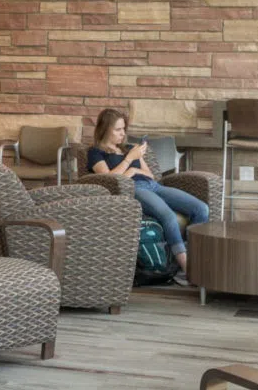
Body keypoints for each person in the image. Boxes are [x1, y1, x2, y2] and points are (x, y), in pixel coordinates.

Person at [84, 107, 207, 283]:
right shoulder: (96, 152)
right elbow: (110, 180)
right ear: (105, 129)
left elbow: (150, 174)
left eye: (123, 129)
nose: (122, 133)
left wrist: (133, 166)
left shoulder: (129, 148)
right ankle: (187, 269)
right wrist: (130, 164)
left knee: (201, 208)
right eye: (118, 129)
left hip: (153, 185)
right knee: (169, 216)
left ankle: (188, 262)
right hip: (134, 189)